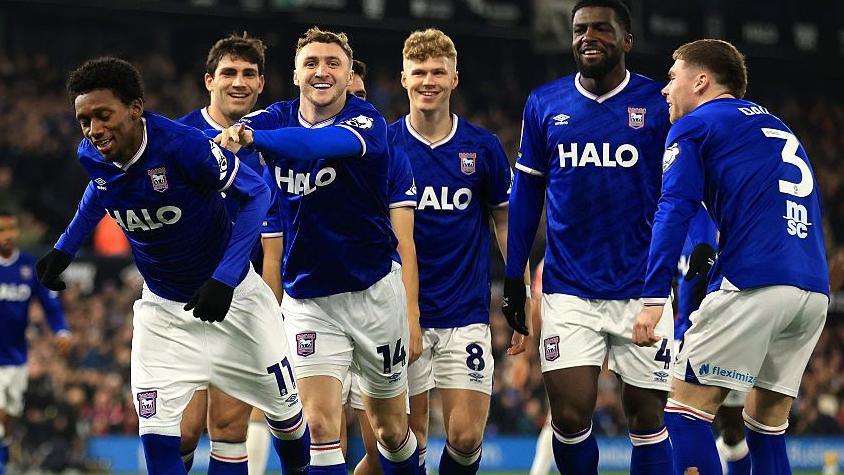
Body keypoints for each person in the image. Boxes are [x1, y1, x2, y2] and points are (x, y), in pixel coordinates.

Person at [36, 57, 309, 474]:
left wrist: (225, 278)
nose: (93, 130)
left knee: (287, 422)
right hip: (162, 313)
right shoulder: (92, 153)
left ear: (135, 108)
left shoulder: (184, 147)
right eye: (84, 120)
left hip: (235, 302)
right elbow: (101, 189)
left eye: (103, 116)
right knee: (164, 439)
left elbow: (257, 195)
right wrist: (65, 249)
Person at [218, 27, 419, 474]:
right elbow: (236, 131)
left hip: (373, 294)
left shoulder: (367, 122)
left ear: (349, 75)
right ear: (294, 74)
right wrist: (226, 139)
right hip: (309, 300)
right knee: (320, 424)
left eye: (333, 63)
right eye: (311, 63)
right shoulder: (275, 117)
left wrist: (248, 139)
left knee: (389, 431)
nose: (321, 71)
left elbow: (316, 145)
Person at [633, 37, 829, 475]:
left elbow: (673, 208)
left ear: (701, 81)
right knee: (765, 428)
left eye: (672, 77)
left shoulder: (696, 125)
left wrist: (651, 297)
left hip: (753, 280)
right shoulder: (777, 125)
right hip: (812, 290)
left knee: (684, 414)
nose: (665, 90)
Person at [502, 0, 674, 473]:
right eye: (580, 29)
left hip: (643, 289)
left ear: (626, 40)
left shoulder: (659, 104)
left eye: (602, 29)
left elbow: (681, 195)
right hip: (568, 289)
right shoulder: (544, 103)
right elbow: (525, 195)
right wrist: (513, 276)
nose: (588, 37)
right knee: (571, 416)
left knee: (647, 417)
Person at [386, 28, 515, 475]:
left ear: (454, 78)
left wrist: (519, 289)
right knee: (409, 439)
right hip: (402, 316)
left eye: (438, 71)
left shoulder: (482, 147)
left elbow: (503, 219)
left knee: (465, 437)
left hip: (466, 315)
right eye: (419, 72)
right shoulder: (384, 146)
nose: (428, 80)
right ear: (403, 79)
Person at [176, 33, 274, 474]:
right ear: (209, 80)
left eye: (248, 74)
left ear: (261, 84)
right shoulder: (177, 137)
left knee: (230, 428)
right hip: (181, 299)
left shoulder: (274, 141)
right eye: (229, 73)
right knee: (181, 432)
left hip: (240, 298)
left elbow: (278, 234)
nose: (239, 82)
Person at [339, 58, 421, 475]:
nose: (355, 106)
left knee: (382, 445)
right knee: (320, 434)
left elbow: (403, 243)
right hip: (316, 309)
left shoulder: (390, 159)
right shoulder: (293, 154)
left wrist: (410, 318)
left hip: (374, 311)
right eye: (345, 97)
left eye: (360, 97)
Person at [676, 209, 751, 475]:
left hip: (728, 334)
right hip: (679, 337)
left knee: (732, 429)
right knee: (677, 418)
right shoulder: (670, 215)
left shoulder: (729, 209)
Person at [0, 208, 70, 475]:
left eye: (10, 229)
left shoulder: (28, 268)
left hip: (17, 358)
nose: (7, 235)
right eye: (1, 230)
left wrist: (62, 332)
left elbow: (51, 307)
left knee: (9, 420)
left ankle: (4, 460)